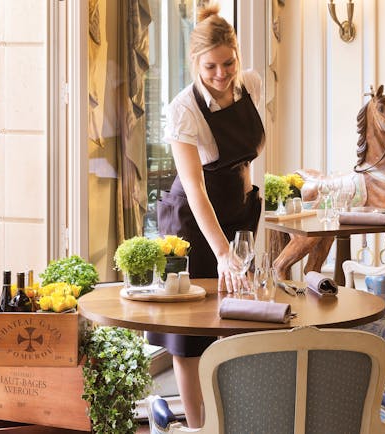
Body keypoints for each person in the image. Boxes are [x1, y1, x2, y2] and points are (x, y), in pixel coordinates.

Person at [152, 4, 264, 428]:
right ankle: (199, 425)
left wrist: (250, 207)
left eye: (228, 62)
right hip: (192, 225)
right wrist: (222, 252)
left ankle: (232, 419)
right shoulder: (185, 109)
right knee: (189, 334)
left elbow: (244, 155)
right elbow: (196, 190)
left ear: (237, 53)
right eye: (211, 66)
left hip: (237, 212)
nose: (222, 74)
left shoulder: (249, 84)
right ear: (195, 63)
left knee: (239, 317)